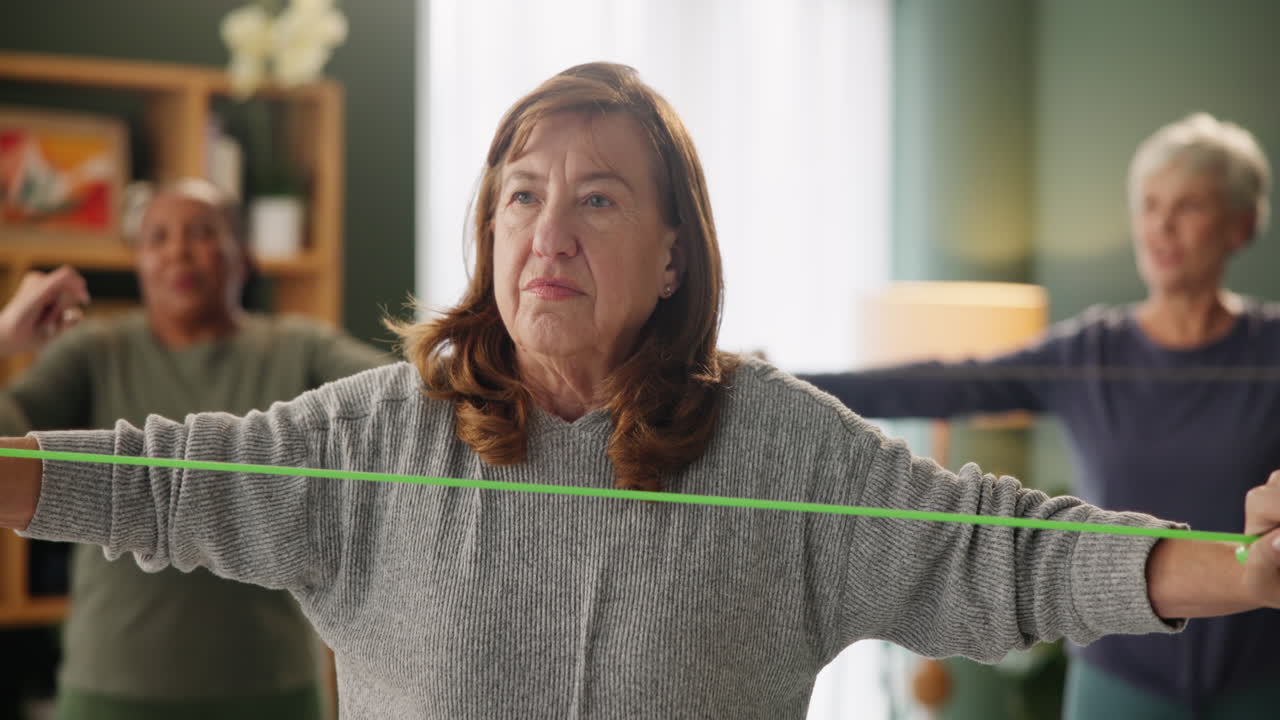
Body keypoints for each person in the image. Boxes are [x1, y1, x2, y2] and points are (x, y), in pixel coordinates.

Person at [0, 65, 1277, 720]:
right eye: (520, 195)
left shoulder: (777, 442)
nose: (546, 230)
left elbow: (997, 553)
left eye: (596, 198)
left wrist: (1247, 567)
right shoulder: (375, 432)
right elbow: (159, 481)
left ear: (672, 257)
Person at [799, 113, 1280, 718]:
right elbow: (944, 383)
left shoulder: (1272, 350)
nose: (1161, 225)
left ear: (1240, 225)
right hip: (1118, 684)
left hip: (1260, 681)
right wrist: (785, 383)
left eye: (1189, 207)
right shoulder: (1089, 354)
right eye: (1150, 204)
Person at [0, 178, 389, 719]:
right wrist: (3, 339)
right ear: (139, 260)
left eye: (203, 233)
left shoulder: (299, 348)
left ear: (243, 256)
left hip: (271, 687)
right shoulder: (96, 352)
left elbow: (400, 402)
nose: (179, 250)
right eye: (158, 236)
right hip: (113, 690)